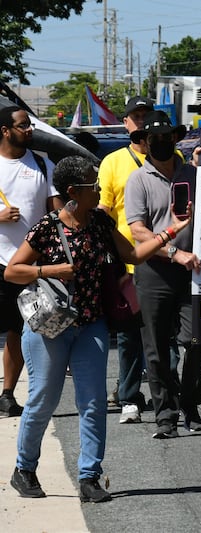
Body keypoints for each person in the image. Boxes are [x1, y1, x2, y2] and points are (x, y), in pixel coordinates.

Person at [6, 155, 191, 501]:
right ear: (74, 191)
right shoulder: (47, 228)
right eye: (94, 184)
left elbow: (134, 255)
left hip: (91, 325)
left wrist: (171, 231)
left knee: (93, 403)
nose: (100, 188)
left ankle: (90, 476)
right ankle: (25, 468)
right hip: (50, 327)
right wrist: (50, 270)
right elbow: (12, 271)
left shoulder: (102, 223)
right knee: (43, 399)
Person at [125, 110, 201, 439]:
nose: (160, 143)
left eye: (166, 137)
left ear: (175, 139)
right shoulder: (139, 179)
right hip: (155, 271)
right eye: (153, 139)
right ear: (144, 143)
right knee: (156, 348)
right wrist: (175, 252)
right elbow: (138, 232)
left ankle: (188, 401)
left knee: (197, 338)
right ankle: (165, 414)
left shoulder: (194, 174)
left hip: (194, 272)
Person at [0, 106, 61, 417]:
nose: (29, 130)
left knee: (22, 329)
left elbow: (56, 210)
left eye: (29, 125)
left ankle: (8, 393)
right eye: (23, 126)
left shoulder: (41, 163)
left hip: (31, 263)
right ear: (5, 131)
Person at [97, 95, 154, 424]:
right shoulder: (113, 162)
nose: (142, 121)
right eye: (136, 117)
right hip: (128, 264)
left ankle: (167, 394)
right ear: (126, 123)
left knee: (165, 336)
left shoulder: (172, 157)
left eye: (147, 115)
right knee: (130, 336)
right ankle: (129, 396)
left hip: (165, 260)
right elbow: (104, 212)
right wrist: (110, 263)